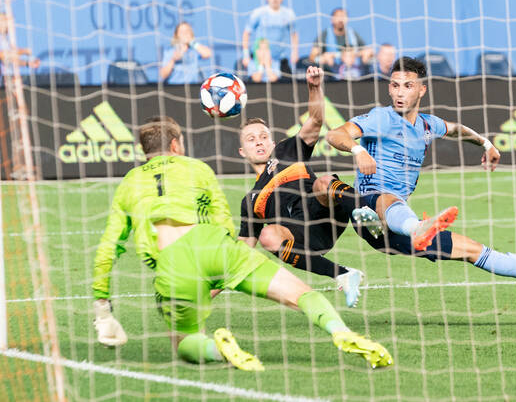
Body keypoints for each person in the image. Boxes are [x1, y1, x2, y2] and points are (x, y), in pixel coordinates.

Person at [92, 115, 392, 370]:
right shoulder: (198, 169)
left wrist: (103, 310)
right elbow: (222, 223)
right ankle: (340, 330)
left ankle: (217, 350)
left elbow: (109, 247)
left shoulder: (129, 183)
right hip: (216, 246)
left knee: (184, 342)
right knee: (301, 294)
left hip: (173, 265)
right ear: (175, 145)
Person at [326, 57, 516, 286]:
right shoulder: (381, 118)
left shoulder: (427, 125)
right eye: (395, 85)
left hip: (395, 230)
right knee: (386, 198)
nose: (399, 92)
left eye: (408, 86)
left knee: (473, 250)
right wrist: (358, 150)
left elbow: (456, 129)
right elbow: (335, 134)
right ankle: (416, 227)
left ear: (422, 90)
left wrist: (486, 144)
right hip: (368, 210)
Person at [238, 66, 382, 307]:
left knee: (323, 182)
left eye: (263, 136)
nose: (259, 142)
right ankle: (344, 274)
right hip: (303, 238)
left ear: (272, 142)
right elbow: (242, 252)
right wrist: (207, 291)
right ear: (242, 152)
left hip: (325, 214)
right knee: (267, 236)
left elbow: (315, 120)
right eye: (251, 140)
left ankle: (365, 210)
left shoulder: (287, 150)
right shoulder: (250, 200)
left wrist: (314, 87)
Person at [242, 0, 298, 76]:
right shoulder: (258, 13)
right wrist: (245, 55)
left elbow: (294, 34)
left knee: (288, 85)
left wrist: (295, 52)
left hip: (279, 59)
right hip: (259, 59)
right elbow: (246, 33)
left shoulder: (289, 14)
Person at [0, 12, 40, 77]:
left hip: (8, 79)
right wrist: (23, 51)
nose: (12, 25)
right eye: (8, 22)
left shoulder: (5, 40)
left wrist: (28, 63)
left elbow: (11, 60)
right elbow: (3, 55)